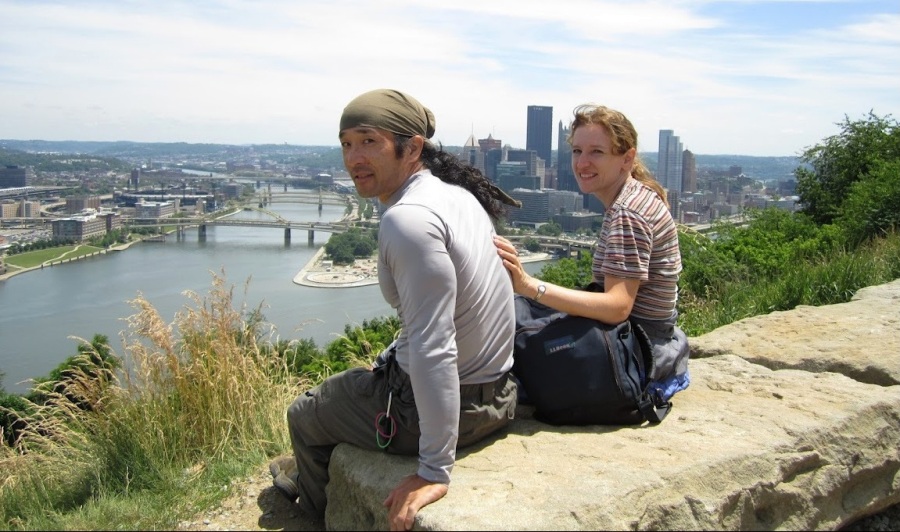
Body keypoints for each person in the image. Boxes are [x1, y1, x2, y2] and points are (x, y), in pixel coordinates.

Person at [270, 89, 521, 531]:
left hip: (438, 414)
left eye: (369, 141)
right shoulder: (459, 198)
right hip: (500, 396)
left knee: (305, 414)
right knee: (357, 380)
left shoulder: (407, 219)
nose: (354, 158)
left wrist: (434, 468)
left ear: (413, 147)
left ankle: (310, 511)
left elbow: (434, 347)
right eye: (346, 143)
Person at [494, 104, 690, 399]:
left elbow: (617, 307)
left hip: (636, 350)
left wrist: (529, 284)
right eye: (576, 151)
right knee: (520, 311)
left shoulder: (628, 213)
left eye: (596, 152)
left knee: (511, 322)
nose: (582, 163)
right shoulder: (633, 196)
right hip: (650, 337)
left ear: (627, 159)